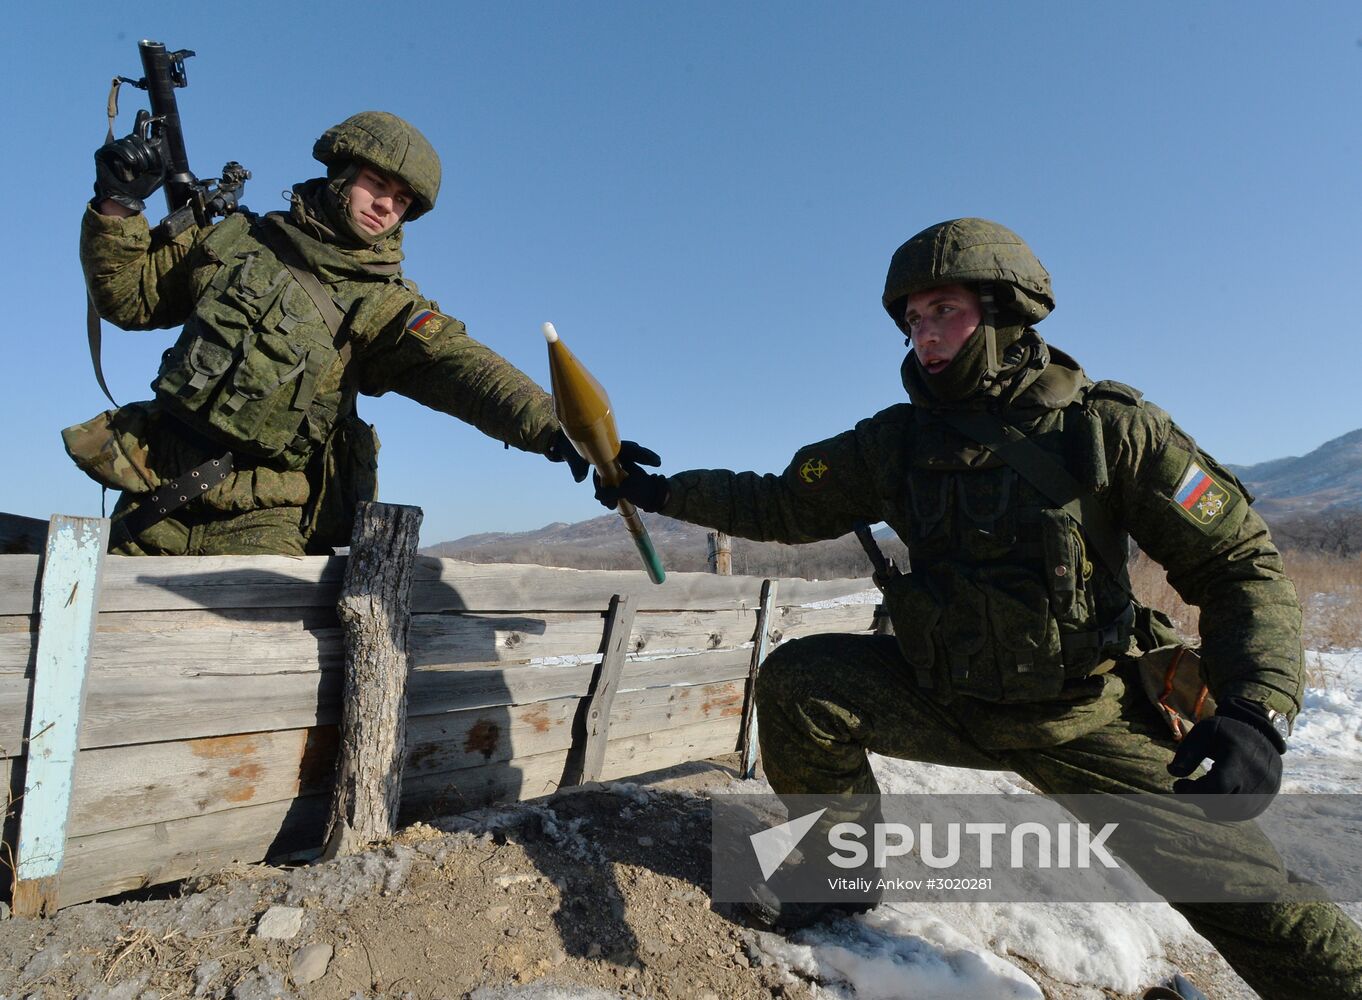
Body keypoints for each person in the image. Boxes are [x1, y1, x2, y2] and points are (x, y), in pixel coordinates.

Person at [596, 218, 1362, 997]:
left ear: (1004, 312)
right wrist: (658, 490)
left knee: (1259, 901)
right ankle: (838, 872)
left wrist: (1259, 708)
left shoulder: (1109, 429)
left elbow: (1236, 562)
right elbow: (781, 504)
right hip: (948, 697)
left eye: (945, 311)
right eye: (912, 319)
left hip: (1081, 716)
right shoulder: (894, 443)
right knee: (801, 682)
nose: (924, 336)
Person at [72, 110, 586, 555]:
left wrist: (561, 428)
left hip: (265, 517)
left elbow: (458, 365)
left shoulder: (383, 304)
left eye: (402, 200)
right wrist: (119, 201)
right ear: (341, 173)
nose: (386, 206)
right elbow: (130, 299)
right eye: (377, 184)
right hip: (153, 487)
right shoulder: (237, 240)